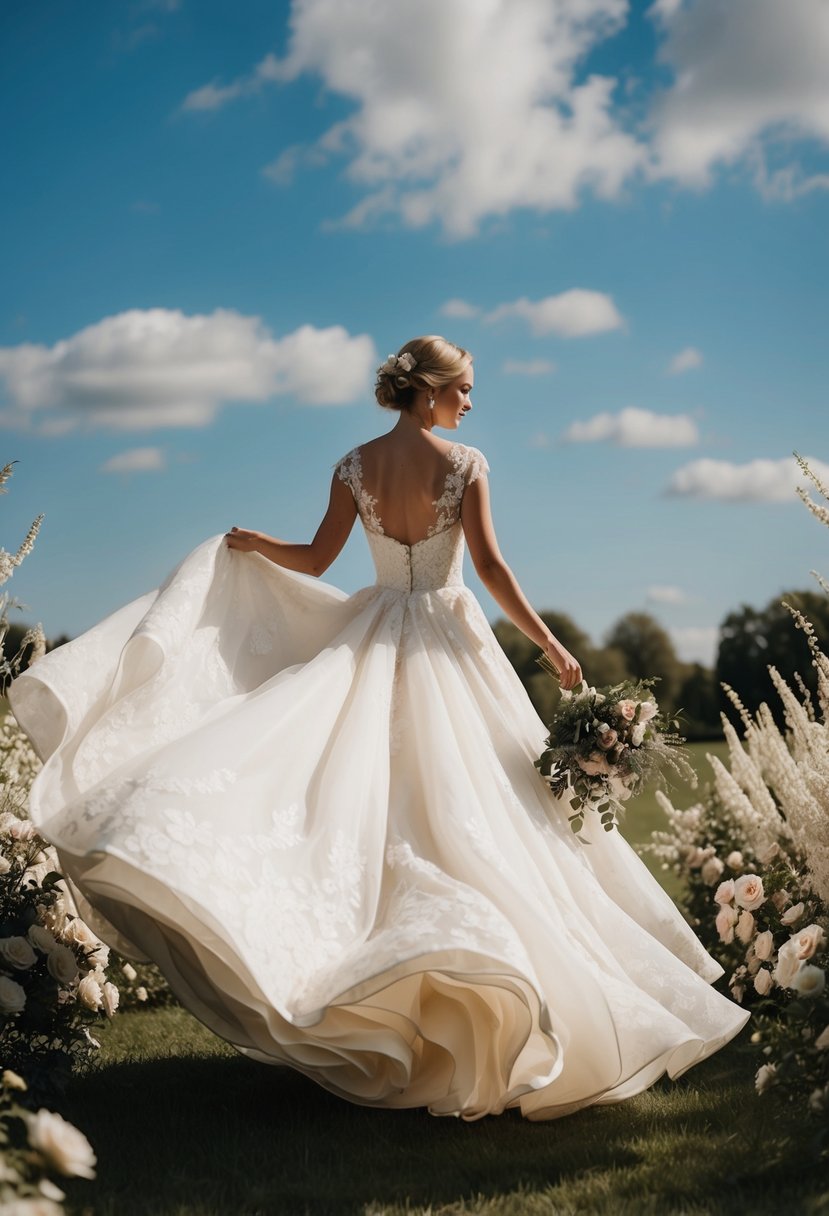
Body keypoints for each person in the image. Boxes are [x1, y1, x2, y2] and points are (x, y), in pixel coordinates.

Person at [10, 335, 748, 1121]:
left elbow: (320, 558)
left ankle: (409, 1007)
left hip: (373, 636)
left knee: (379, 816)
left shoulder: (353, 465)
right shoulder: (466, 465)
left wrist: (260, 544)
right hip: (446, 640)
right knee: (485, 818)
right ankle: (463, 1008)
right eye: (464, 388)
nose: (470, 402)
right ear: (430, 392)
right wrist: (552, 645)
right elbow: (491, 569)